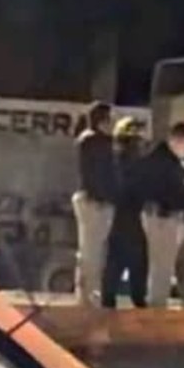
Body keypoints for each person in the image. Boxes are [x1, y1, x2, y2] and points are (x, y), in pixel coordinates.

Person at [138, 121, 184, 308]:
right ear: (178, 141)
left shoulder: (176, 161)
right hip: (163, 219)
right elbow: (161, 190)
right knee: (162, 270)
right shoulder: (159, 160)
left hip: (177, 220)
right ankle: (157, 312)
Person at [100, 116, 149, 308]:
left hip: (128, 218)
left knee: (129, 262)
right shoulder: (123, 162)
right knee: (124, 261)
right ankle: (117, 302)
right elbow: (126, 188)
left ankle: (115, 301)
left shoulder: (123, 160)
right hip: (124, 218)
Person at [72, 101, 117, 306]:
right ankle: (88, 298)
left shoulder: (90, 140)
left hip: (93, 200)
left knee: (93, 252)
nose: (113, 124)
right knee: (91, 253)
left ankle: (89, 296)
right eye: (110, 119)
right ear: (102, 121)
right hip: (94, 202)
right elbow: (100, 175)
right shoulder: (94, 141)